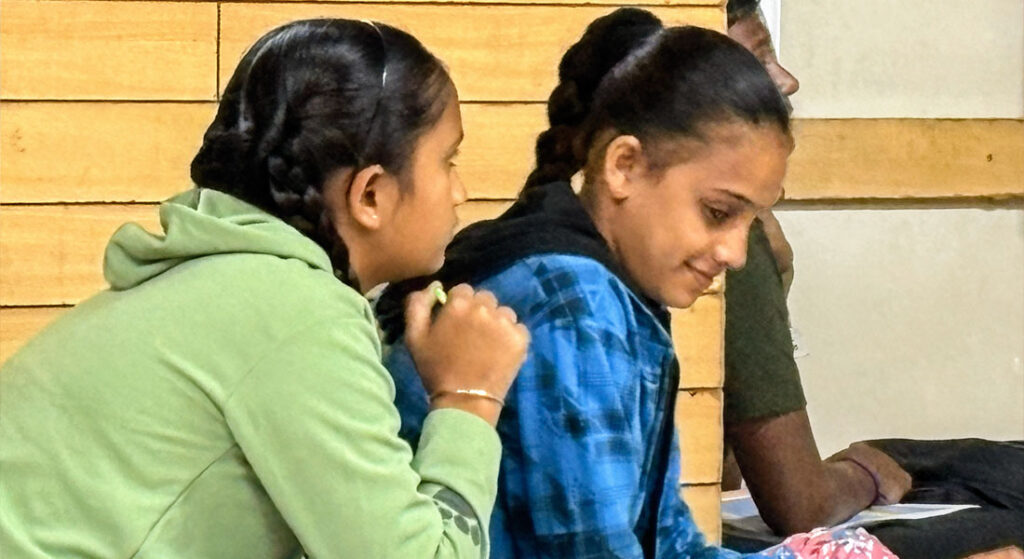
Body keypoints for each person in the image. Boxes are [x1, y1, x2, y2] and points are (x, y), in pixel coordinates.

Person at [0, 19, 531, 558]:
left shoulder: (233, 281)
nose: (461, 192)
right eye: (448, 162)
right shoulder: (300, 314)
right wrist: (469, 396)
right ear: (370, 194)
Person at [378, 9, 898, 559]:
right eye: (718, 212)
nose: (736, 253)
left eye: (751, 222)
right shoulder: (572, 301)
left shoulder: (617, 294)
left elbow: (669, 544)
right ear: (623, 166)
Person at [720, 2, 1024, 558]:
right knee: (993, 512)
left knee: (938, 462)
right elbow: (799, 506)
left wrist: (777, 282)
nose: (787, 80)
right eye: (760, 58)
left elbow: (720, 472)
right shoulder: (730, 239)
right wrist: (864, 473)